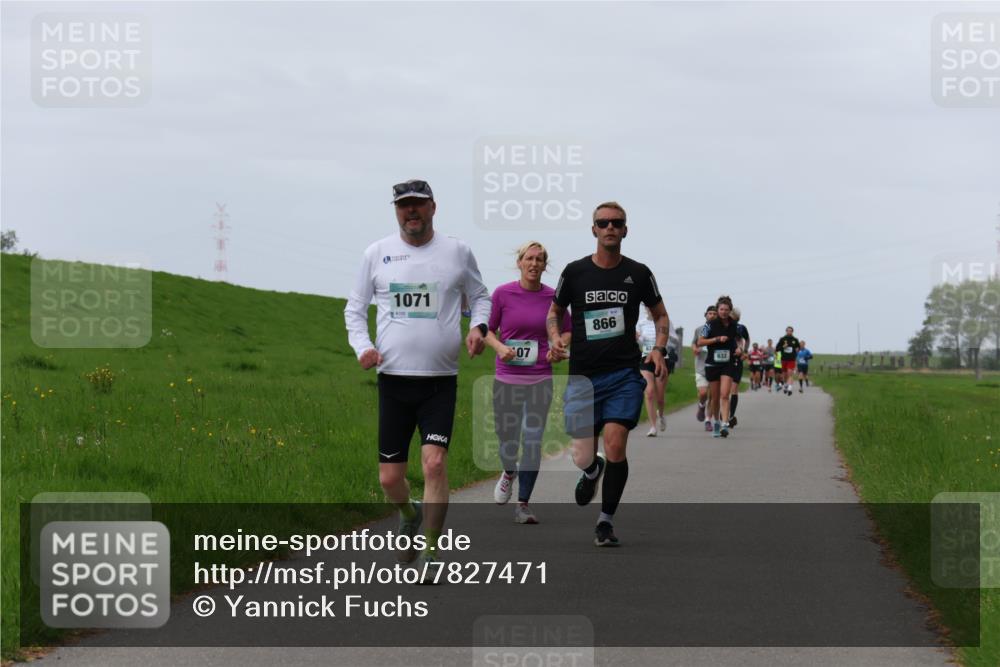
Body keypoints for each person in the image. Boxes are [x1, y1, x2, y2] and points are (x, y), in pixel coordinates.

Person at [345, 179, 490, 576]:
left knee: (434, 464)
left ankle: (430, 552)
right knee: (390, 478)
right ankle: (407, 514)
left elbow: (480, 296)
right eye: (403, 205)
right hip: (393, 380)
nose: (411, 212)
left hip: (439, 380)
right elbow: (354, 310)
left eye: (418, 205)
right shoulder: (377, 254)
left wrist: (478, 327)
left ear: (433, 207)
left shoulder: (457, 251)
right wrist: (363, 348)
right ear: (396, 210)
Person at [547, 201, 669, 547]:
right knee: (583, 455)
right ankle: (591, 471)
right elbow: (554, 311)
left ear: (625, 230)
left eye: (617, 222)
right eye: (603, 223)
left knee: (616, 445)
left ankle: (605, 520)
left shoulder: (639, 273)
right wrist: (556, 338)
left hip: (623, 374)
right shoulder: (574, 272)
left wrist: (658, 348)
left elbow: (661, 315)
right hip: (583, 376)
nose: (610, 227)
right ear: (594, 230)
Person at [485, 241, 570, 524]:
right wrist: (499, 348)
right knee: (507, 438)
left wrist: (556, 346)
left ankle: (523, 504)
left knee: (532, 441)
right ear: (520, 262)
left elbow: (568, 330)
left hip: (540, 378)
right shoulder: (502, 294)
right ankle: (509, 471)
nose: (534, 264)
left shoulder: (553, 298)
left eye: (540, 260)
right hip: (507, 378)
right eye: (529, 258)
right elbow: (487, 330)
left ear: (546, 266)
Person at [697, 296, 740, 438]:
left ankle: (724, 424)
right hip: (712, 364)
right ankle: (716, 421)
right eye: (721, 309)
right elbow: (700, 342)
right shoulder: (710, 324)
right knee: (715, 398)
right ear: (718, 309)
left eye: (726, 310)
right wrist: (716, 339)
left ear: (730, 311)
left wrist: (739, 349)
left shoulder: (734, 325)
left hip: (727, 363)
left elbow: (736, 340)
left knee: (724, 395)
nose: (723, 312)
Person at [636, 307, 665, 436]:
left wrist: (660, 346)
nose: (650, 309)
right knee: (649, 392)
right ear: (645, 309)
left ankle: (661, 415)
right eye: (647, 307)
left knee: (659, 397)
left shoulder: (663, 321)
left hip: (661, 360)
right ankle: (653, 427)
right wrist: (639, 338)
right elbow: (640, 342)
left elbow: (673, 339)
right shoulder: (641, 323)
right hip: (646, 359)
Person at [692, 305, 717, 431]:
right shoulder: (699, 330)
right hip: (701, 366)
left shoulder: (719, 330)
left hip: (715, 367)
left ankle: (708, 420)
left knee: (712, 396)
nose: (712, 315)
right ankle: (701, 405)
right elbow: (694, 343)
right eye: (710, 313)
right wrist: (695, 349)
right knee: (703, 393)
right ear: (705, 315)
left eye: (714, 313)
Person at [728, 308, 749, 428]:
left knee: (734, 388)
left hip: (737, 359)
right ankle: (724, 413)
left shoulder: (741, 328)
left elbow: (747, 339)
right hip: (725, 360)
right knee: (724, 390)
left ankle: (731, 416)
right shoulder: (721, 326)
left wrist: (745, 351)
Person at [776, 326, 801, 396]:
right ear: (786, 331)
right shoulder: (782, 339)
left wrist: (797, 349)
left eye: (791, 331)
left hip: (791, 359)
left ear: (792, 332)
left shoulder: (795, 339)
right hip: (783, 359)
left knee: (790, 373)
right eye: (788, 331)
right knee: (784, 375)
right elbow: (777, 349)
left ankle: (790, 388)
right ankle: (785, 386)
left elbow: (798, 347)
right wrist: (783, 347)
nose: (789, 332)